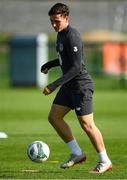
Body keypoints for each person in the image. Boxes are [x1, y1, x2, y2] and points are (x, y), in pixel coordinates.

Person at [41, 3, 112, 173]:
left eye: (56, 21)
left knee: (86, 124)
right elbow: (65, 59)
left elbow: (76, 68)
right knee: (54, 117)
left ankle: (105, 160)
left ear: (66, 18)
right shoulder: (60, 35)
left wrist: (53, 85)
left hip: (81, 85)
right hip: (69, 86)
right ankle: (76, 153)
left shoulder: (72, 36)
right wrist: (49, 64)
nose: (53, 25)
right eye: (51, 21)